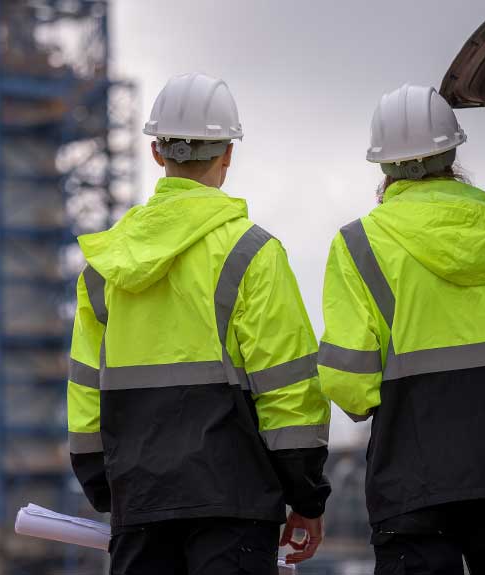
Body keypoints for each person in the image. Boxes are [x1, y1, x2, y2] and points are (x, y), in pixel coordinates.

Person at [66, 72, 331, 575]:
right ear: (228, 155)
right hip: (235, 506)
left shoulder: (104, 267)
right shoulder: (253, 253)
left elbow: (85, 394)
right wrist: (306, 496)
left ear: (156, 153)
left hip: (138, 505)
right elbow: (289, 389)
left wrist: (109, 487)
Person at [318, 84, 485, 574]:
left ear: (383, 164)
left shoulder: (357, 246)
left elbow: (349, 384)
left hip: (411, 479)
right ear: (453, 151)